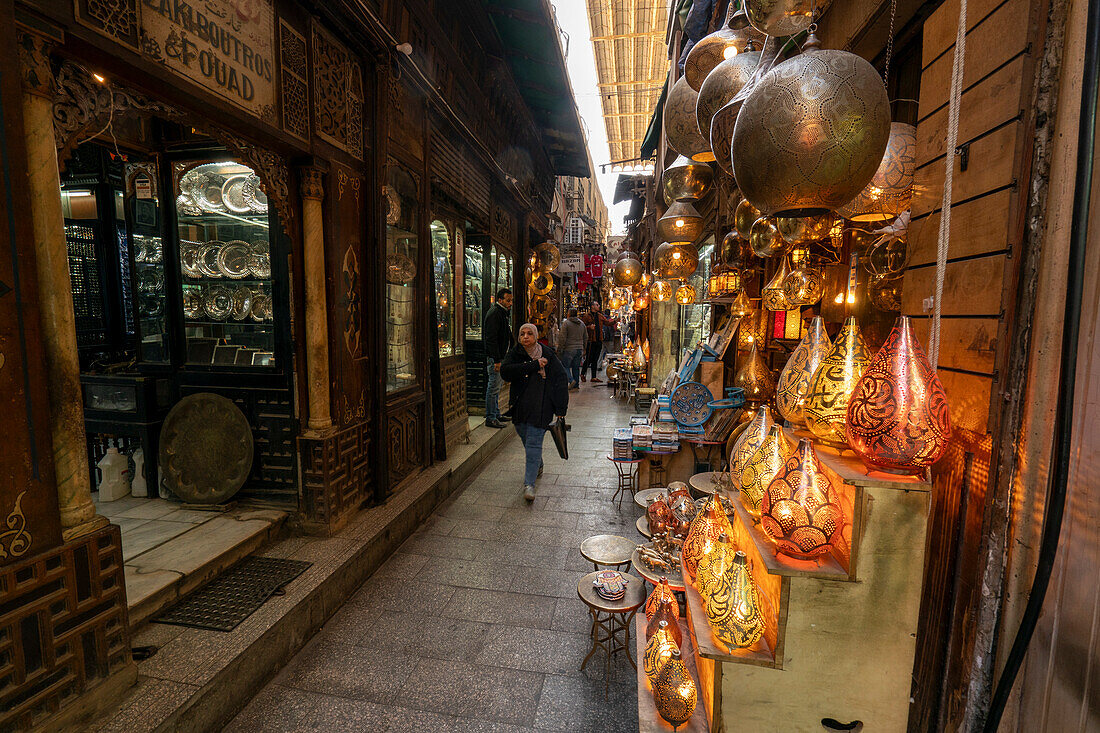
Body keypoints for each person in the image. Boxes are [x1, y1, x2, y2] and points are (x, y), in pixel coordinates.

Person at [501, 323, 569, 501]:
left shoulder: (548, 354)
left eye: (529, 333)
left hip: (541, 408)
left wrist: (561, 409)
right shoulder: (515, 353)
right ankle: (538, 463)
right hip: (520, 407)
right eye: (522, 333)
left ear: (536, 336)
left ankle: (529, 484)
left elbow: (561, 380)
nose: (525, 337)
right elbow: (506, 372)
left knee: (533, 444)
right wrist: (533, 365)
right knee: (526, 438)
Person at [483, 288, 514, 428]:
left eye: (511, 300)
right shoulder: (495, 313)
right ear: (500, 300)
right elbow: (491, 339)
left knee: (497, 387)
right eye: (508, 300)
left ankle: (496, 413)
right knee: (493, 387)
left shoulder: (502, 313)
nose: (510, 303)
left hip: (501, 357)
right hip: (496, 358)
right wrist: (496, 360)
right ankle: (490, 417)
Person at [558, 308, 587, 389]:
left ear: (569, 314)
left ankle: (571, 380)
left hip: (569, 348)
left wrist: (560, 348)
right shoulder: (582, 324)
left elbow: (562, 337)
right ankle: (576, 384)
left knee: (564, 366)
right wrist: (584, 348)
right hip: (579, 348)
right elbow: (585, 337)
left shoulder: (566, 323)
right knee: (576, 367)